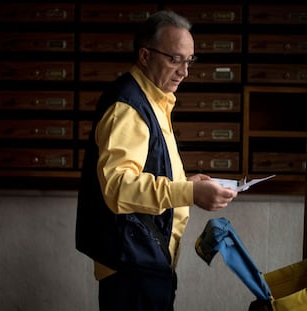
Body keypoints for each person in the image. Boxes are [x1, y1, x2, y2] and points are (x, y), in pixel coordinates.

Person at [75, 10, 237, 311]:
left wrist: (185, 184)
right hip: (132, 267)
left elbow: (143, 171)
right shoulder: (128, 106)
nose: (184, 71)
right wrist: (188, 193)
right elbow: (118, 187)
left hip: (145, 260)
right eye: (174, 59)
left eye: (189, 61)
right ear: (145, 55)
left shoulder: (153, 98)